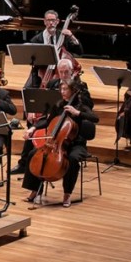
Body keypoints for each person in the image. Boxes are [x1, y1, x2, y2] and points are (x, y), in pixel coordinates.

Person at [21, 78, 98, 208]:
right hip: (57, 144)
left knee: (72, 159)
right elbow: (47, 121)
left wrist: (77, 113)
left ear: (73, 90)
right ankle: (35, 190)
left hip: (76, 144)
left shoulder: (81, 106)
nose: (62, 91)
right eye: (61, 89)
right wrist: (33, 128)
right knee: (33, 153)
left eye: (65, 89)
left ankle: (67, 194)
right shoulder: (58, 105)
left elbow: (95, 118)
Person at [11, 58, 90, 175]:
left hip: (70, 128)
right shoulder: (53, 83)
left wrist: (77, 106)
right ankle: (24, 164)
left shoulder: (80, 87)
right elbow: (45, 105)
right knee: (32, 131)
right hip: (54, 120)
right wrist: (34, 112)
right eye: (61, 72)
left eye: (66, 72)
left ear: (72, 71)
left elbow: (89, 106)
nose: (63, 75)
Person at [26, 9, 83, 89]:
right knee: (27, 90)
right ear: (44, 22)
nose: (51, 23)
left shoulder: (63, 36)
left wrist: (71, 36)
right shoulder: (36, 39)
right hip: (41, 71)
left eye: (53, 20)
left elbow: (79, 51)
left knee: (75, 87)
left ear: (57, 21)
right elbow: (32, 61)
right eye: (48, 20)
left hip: (60, 71)